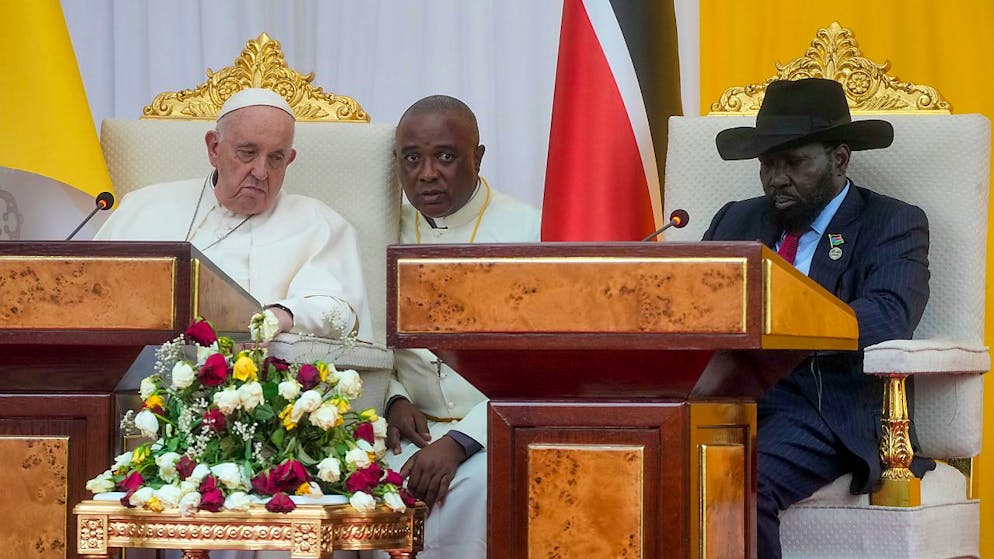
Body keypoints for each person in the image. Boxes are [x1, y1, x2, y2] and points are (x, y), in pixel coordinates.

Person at [703, 78, 932, 558]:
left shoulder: (892, 221)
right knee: (644, 461)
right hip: (731, 400)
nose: (776, 179)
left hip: (827, 408)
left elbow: (889, 314)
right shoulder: (736, 219)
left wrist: (783, 327)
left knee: (734, 481)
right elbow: (700, 305)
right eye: (767, 165)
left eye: (793, 163)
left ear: (840, 159)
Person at [385, 95, 540, 558]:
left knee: (473, 493)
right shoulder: (381, 228)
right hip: (404, 430)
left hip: (496, 430)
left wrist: (461, 440)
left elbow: (539, 364)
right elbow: (362, 337)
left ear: (478, 157)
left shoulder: (530, 231)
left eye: (446, 157)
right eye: (413, 158)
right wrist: (393, 397)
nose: (427, 173)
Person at [95, 88, 371, 341]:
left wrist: (282, 315)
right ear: (214, 148)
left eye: (276, 158)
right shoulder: (143, 209)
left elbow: (341, 312)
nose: (261, 172)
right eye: (248, 153)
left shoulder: (320, 225)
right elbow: (91, 293)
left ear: (290, 159)